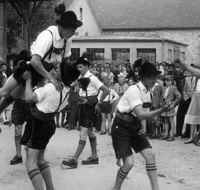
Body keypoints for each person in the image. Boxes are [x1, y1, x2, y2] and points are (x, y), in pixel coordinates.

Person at [0, 3, 83, 115]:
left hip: (44, 71)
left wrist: (66, 77)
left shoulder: (67, 39)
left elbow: (65, 60)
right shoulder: (47, 36)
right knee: (5, 92)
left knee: (15, 95)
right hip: (29, 67)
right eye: (72, 30)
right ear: (63, 27)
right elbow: (35, 61)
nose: (73, 34)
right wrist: (51, 78)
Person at [111, 60, 173, 190]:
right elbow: (140, 114)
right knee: (129, 164)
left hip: (134, 126)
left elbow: (143, 114)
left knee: (150, 155)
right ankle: (116, 188)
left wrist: (141, 127)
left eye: (157, 78)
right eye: (153, 78)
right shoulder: (134, 89)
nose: (155, 81)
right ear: (144, 77)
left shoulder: (148, 92)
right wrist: (162, 110)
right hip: (121, 128)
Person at [20, 61, 80, 190]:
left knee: (31, 163)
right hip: (48, 124)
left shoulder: (52, 87)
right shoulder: (67, 90)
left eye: (59, 71)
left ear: (63, 76)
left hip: (37, 124)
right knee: (40, 159)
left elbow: (29, 98)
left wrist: (28, 81)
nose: (56, 72)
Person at [62, 54, 109, 168]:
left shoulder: (92, 78)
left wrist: (99, 102)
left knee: (83, 133)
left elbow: (106, 90)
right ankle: (94, 157)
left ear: (87, 67)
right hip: (83, 105)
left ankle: (74, 160)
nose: (79, 69)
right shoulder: (79, 77)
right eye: (77, 67)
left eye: (81, 67)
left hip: (90, 106)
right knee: (90, 131)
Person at [159, 75, 182, 141]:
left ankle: (172, 135)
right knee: (165, 120)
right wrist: (161, 102)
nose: (167, 82)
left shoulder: (173, 88)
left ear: (172, 81)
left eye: (169, 81)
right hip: (164, 106)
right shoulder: (164, 88)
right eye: (166, 81)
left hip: (170, 106)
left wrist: (174, 103)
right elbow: (162, 96)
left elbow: (179, 96)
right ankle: (166, 134)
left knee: (171, 120)